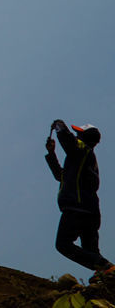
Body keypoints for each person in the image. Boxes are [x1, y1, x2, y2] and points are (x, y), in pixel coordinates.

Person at [46, 120, 113, 280]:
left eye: (78, 134)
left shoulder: (83, 150)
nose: (76, 136)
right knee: (91, 251)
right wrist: (52, 154)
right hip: (90, 210)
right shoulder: (83, 159)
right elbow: (60, 176)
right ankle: (106, 278)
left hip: (77, 208)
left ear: (84, 137)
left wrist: (59, 126)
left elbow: (69, 142)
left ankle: (105, 266)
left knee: (63, 244)